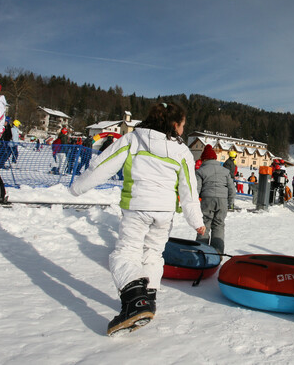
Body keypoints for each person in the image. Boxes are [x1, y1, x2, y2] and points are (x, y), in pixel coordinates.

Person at [70, 102, 206, 336]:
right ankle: (148, 299)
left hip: (137, 207)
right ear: (174, 125)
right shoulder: (182, 151)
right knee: (153, 253)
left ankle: (136, 300)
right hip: (164, 213)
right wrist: (196, 221)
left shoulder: (133, 139)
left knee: (126, 253)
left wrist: (78, 187)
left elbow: (103, 164)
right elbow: (189, 190)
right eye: (183, 125)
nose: (183, 130)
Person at [195, 144, 235, 254]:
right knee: (219, 225)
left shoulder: (200, 171)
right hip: (222, 201)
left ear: (204, 159)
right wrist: (230, 203)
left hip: (207, 199)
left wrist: (195, 203)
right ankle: (217, 253)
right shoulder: (225, 171)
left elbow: (197, 189)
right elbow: (232, 189)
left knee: (204, 225)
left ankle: (201, 251)